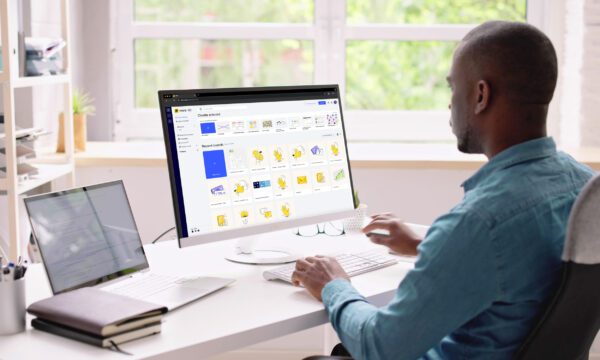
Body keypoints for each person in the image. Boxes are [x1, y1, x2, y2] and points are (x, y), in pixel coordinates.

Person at [291, 21, 596, 359]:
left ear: (481, 95)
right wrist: (429, 247)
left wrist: (333, 285)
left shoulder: (480, 221)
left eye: (454, 88)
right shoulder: (584, 186)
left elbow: (381, 346)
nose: (451, 103)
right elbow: (524, 269)